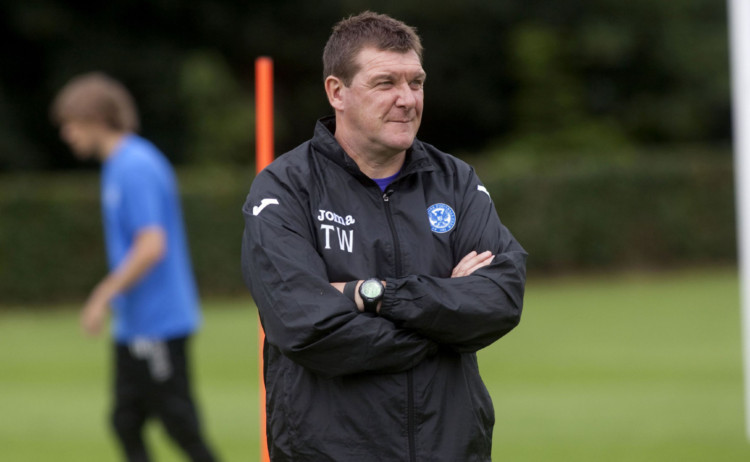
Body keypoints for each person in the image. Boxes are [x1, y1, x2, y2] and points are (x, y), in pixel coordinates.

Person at [241, 11, 527, 462]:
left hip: (450, 448)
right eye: (385, 83)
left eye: (416, 82)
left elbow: (499, 299)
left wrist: (371, 295)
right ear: (337, 91)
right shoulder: (284, 188)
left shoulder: (455, 181)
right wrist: (443, 325)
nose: (407, 99)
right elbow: (303, 324)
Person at [51, 72, 219, 462]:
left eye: (70, 124)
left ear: (94, 118)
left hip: (158, 322)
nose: (67, 134)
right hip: (135, 324)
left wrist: (103, 294)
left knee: (180, 425)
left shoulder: (135, 166)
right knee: (126, 421)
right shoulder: (117, 165)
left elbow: (151, 244)